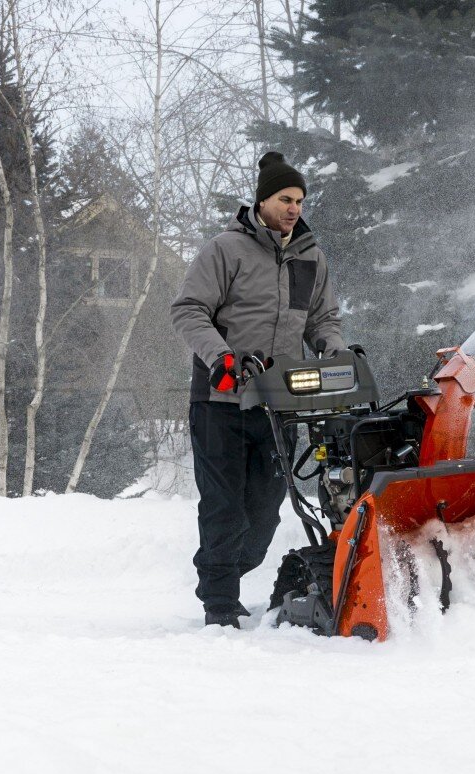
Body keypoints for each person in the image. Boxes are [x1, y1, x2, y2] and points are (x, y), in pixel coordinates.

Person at [170, 151, 346, 628]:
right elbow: (188, 310)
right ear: (263, 200)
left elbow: (321, 319)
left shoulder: (310, 256)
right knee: (224, 503)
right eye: (286, 199)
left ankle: (222, 570)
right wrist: (220, 357)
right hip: (221, 400)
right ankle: (220, 601)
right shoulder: (225, 250)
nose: (295, 208)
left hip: (279, 402)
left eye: (301, 201)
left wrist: (335, 350)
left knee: (264, 512)